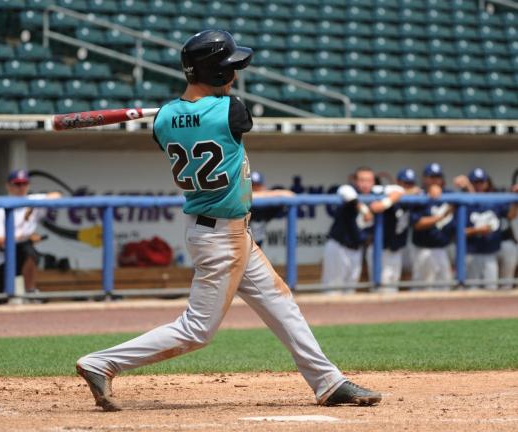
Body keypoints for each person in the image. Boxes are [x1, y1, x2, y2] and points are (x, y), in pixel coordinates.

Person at [76, 30, 381, 412]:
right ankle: (101, 362)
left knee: (281, 303)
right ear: (215, 73)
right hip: (220, 237)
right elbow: (228, 113)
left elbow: (188, 116)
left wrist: (185, 110)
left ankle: (328, 381)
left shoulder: (164, 119)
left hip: (224, 232)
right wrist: (199, 107)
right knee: (197, 331)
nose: (235, 75)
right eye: (230, 68)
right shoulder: (232, 110)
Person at [321, 166, 403, 293]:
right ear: (355, 180)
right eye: (361, 180)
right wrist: (364, 209)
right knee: (333, 291)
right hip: (339, 248)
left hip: (357, 251)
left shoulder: (376, 192)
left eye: (369, 180)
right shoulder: (349, 189)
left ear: (373, 181)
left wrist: (384, 204)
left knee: (350, 291)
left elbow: (399, 190)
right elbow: (346, 192)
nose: (365, 184)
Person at [0, 170, 61, 302]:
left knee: (30, 251)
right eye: (17, 184)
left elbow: (57, 195)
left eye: (24, 183)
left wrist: (32, 206)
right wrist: (26, 237)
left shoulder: (32, 200)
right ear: (8, 186)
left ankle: (31, 292)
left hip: (18, 257)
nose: (21, 187)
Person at [454, 169, 518, 289]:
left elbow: (511, 215)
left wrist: (516, 201)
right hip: (471, 254)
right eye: (475, 182)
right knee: (471, 291)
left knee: (491, 290)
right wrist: (477, 231)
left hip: (490, 255)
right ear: (469, 184)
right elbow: (458, 232)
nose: (478, 185)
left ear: (487, 183)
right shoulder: (463, 203)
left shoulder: (493, 201)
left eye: (481, 182)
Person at [410, 163, 455, 290]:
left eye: (437, 177)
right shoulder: (419, 195)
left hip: (443, 248)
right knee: (423, 288)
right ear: (425, 179)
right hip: (423, 249)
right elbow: (417, 224)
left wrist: (466, 187)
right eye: (431, 177)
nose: (435, 180)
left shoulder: (449, 194)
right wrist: (441, 217)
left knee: (445, 287)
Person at [250, 170, 294, 248]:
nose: (255, 189)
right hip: (237, 244)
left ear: (263, 187)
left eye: (258, 186)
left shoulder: (266, 206)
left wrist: (266, 194)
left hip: (257, 244)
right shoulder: (241, 200)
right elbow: (247, 196)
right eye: (252, 186)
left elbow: (290, 194)